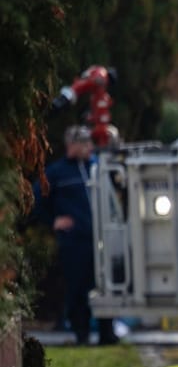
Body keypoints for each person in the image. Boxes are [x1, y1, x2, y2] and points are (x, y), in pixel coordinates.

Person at [32, 125, 118, 346]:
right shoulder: (57, 173)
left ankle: (107, 333)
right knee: (78, 287)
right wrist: (53, 220)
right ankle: (82, 333)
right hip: (75, 241)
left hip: (100, 238)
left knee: (105, 285)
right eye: (84, 143)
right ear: (72, 145)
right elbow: (35, 200)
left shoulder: (97, 168)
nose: (89, 147)